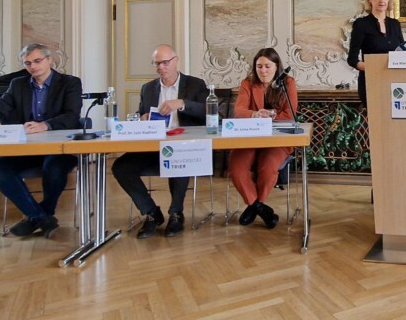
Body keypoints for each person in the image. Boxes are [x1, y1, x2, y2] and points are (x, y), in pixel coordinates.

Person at [0, 43, 82, 238]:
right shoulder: (18, 84)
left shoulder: (70, 82)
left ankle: (37, 216)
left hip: (60, 148)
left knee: (54, 167)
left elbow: (72, 116)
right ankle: (40, 217)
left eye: (37, 61)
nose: (33, 67)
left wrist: (45, 125)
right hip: (27, 149)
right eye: (28, 63)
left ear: (50, 60)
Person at [112, 44, 208, 239]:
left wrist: (182, 104)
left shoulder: (195, 84)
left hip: (184, 144)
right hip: (152, 145)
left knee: (180, 158)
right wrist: (143, 118)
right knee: (120, 167)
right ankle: (151, 212)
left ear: (176, 61)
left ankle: (175, 213)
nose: (161, 67)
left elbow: (210, 112)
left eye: (165, 62)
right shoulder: (148, 88)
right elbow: (141, 116)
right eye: (157, 64)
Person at [230, 48, 297, 229]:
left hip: (278, 139)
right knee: (236, 168)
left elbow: (290, 114)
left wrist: (271, 115)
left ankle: (254, 205)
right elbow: (239, 111)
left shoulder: (287, 83)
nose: (263, 71)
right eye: (259, 66)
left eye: (268, 66)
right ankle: (259, 207)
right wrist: (255, 114)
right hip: (251, 136)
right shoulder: (248, 83)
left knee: (268, 169)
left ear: (277, 67)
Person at [347, 0, 405, 105]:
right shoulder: (361, 24)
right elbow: (352, 59)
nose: (382, 1)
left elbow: (402, 53)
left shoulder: (395, 25)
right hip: (371, 83)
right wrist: (373, 68)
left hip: (396, 84)